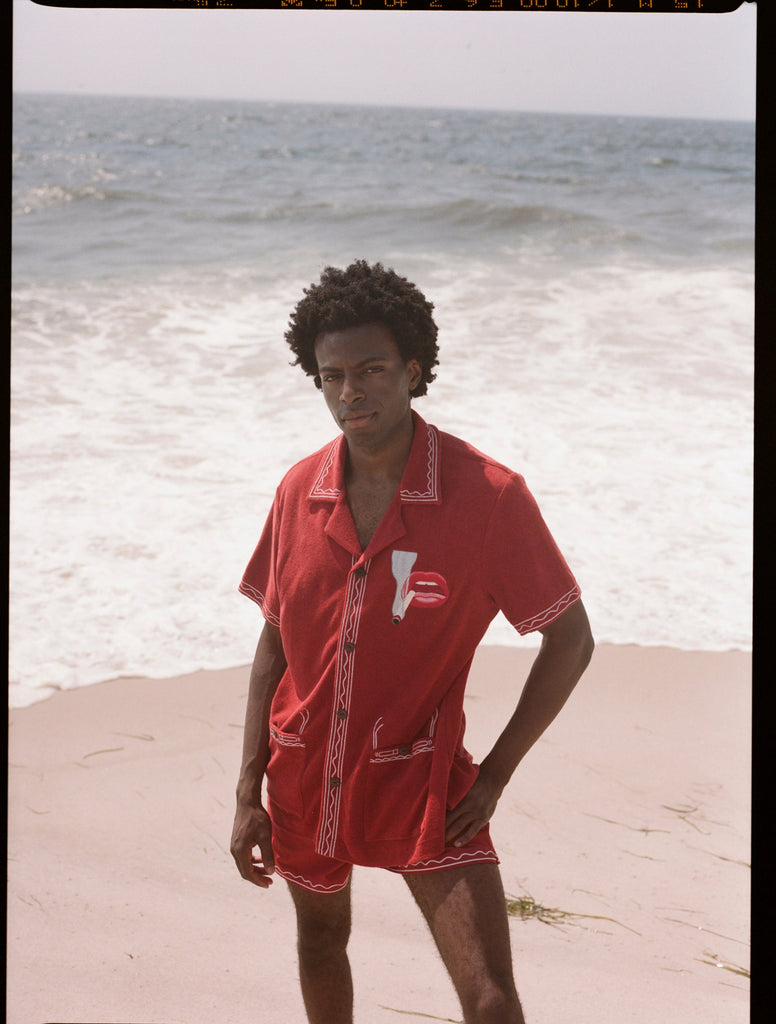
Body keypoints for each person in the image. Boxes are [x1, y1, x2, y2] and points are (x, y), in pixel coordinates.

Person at [230, 260, 594, 1024]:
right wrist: (246, 793)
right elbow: (275, 644)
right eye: (331, 375)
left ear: (415, 369)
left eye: (370, 370)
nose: (349, 392)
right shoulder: (301, 490)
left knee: (490, 1000)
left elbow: (570, 638)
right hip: (303, 781)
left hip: (424, 786)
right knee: (320, 944)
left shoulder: (487, 497)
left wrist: (493, 776)